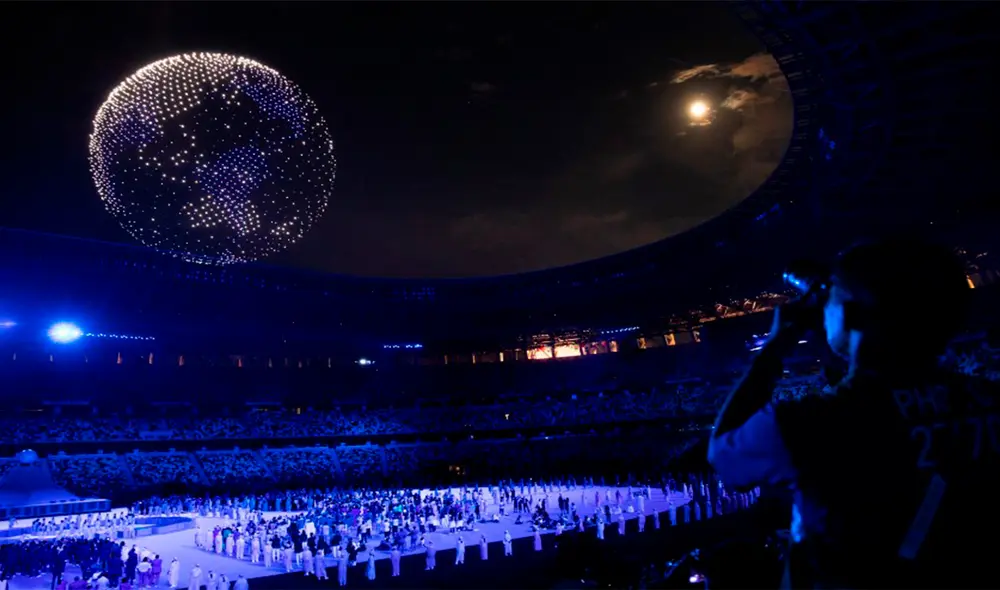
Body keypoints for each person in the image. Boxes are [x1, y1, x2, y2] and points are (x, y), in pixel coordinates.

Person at [707, 239, 998, 589]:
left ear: (850, 314)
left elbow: (723, 456)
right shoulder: (990, 400)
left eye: (831, 299)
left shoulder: (811, 422)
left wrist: (774, 348)